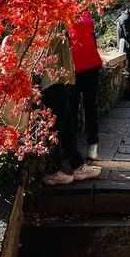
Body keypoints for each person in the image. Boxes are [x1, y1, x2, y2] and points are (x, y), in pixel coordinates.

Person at [40, 25, 98, 185]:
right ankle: (53, 170)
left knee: (66, 125)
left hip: (60, 80)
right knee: (57, 126)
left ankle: (76, 165)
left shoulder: (58, 23)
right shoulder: (53, 24)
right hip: (53, 81)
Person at [69, 13, 103, 167]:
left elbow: (86, 26)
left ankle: (92, 144)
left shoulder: (82, 17)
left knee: (88, 103)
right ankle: (76, 148)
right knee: (75, 105)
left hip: (86, 66)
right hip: (75, 68)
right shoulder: (61, 21)